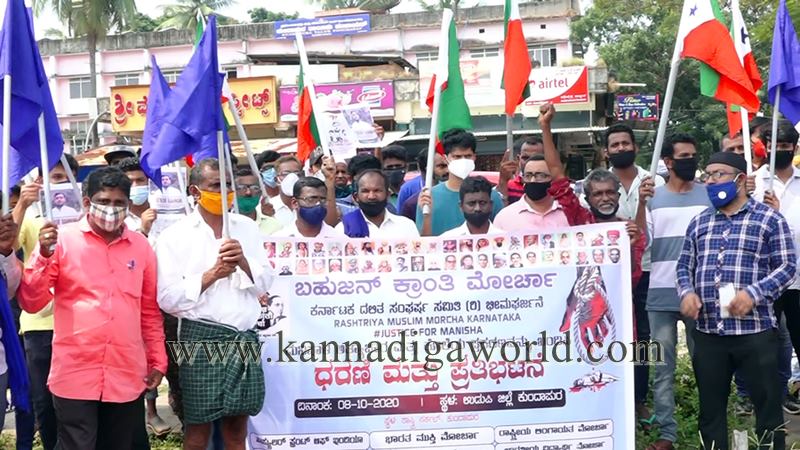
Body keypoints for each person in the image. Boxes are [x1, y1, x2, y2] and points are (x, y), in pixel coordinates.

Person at [17, 167, 167, 450]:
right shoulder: (60, 241)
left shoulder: (141, 247)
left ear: (128, 204)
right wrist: (44, 256)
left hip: (125, 370)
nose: (111, 209)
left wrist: (158, 359)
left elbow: (148, 310)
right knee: (77, 444)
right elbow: (31, 301)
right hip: (75, 370)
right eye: (104, 201)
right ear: (87, 202)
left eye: (119, 202)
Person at [677, 152, 796, 450]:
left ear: (740, 180)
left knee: (767, 410)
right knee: (711, 411)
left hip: (754, 332)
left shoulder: (769, 219)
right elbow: (684, 266)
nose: (710, 180)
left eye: (718, 174)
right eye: (708, 175)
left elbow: (787, 267)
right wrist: (687, 292)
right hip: (708, 333)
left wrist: (753, 293)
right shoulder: (699, 222)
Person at [156, 158, 272, 450]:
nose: (225, 191)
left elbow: (265, 283)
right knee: (197, 430)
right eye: (215, 185)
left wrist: (243, 261)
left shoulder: (247, 228)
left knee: (237, 430)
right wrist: (212, 275)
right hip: (200, 338)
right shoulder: (174, 236)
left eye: (228, 184)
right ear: (195, 191)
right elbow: (167, 299)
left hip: (243, 337)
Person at [635, 133, 711, 450]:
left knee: (706, 366)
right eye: (683, 156)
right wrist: (641, 204)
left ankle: (710, 428)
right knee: (662, 370)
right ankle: (667, 432)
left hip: (699, 297)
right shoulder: (653, 197)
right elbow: (641, 240)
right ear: (668, 162)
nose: (690, 161)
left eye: (693, 155)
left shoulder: (709, 195)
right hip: (661, 294)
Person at [12, 154, 79, 450]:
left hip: (80, 323)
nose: (59, 184)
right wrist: (22, 205)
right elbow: (6, 244)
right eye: (54, 178)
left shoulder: (87, 218)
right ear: (41, 181)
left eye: (65, 178)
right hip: (40, 323)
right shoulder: (30, 218)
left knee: (77, 400)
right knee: (44, 400)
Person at [117, 157, 172, 439]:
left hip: (169, 299)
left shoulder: (167, 210)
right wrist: (143, 231)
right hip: (134, 303)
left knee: (164, 358)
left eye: (142, 181)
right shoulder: (118, 220)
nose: (137, 186)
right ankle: (145, 413)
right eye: (132, 182)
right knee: (138, 358)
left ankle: (166, 406)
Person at [750, 121, 800, 414]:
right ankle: (767, 399)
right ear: (765, 147)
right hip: (765, 279)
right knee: (766, 344)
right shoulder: (753, 183)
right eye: (774, 146)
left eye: (785, 146)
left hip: (799, 279)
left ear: (794, 148)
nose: (779, 150)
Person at [416, 129, 503, 236]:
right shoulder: (429, 197)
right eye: (457, 157)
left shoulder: (490, 196)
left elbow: (501, 236)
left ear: (474, 157)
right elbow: (423, 241)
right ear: (445, 159)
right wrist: (426, 217)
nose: (463, 160)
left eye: (468, 156)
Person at [493, 151, 570, 232]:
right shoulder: (505, 217)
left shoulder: (571, 213)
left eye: (540, 175)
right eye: (528, 176)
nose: (533, 180)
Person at [336, 170, 419, 239]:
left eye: (377, 190)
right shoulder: (343, 228)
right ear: (356, 197)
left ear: (388, 194)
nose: (371, 196)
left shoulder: (406, 226)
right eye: (365, 191)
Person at [273, 177, 343, 238]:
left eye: (322, 199)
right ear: (295, 203)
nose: (318, 204)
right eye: (311, 199)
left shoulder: (340, 241)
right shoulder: (278, 240)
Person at [436, 176, 504, 237]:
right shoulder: (447, 240)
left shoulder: (505, 239)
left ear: (491, 205)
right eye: (471, 203)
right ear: (461, 206)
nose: (477, 208)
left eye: (482, 203)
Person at [400, 149, 449, 221]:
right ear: (428, 169)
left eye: (449, 165)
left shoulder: (459, 195)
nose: (448, 170)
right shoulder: (412, 203)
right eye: (442, 166)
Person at [234, 167, 282, 235]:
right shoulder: (224, 224)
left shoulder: (274, 226)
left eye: (254, 188)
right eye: (241, 188)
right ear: (233, 191)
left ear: (260, 193)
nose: (248, 192)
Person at [498, 136, 545, 204]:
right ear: (518, 159)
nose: (529, 162)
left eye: (535, 158)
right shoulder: (508, 186)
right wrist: (503, 181)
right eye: (525, 158)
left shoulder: (554, 188)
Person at [118, 157, 158, 239]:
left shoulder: (162, 210)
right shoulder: (117, 219)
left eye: (140, 180)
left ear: (149, 182)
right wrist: (143, 231)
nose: (135, 185)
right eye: (129, 182)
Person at [270, 156, 304, 228]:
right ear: (276, 180)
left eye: (297, 173)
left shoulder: (310, 206)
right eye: (285, 174)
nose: (292, 177)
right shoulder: (268, 207)